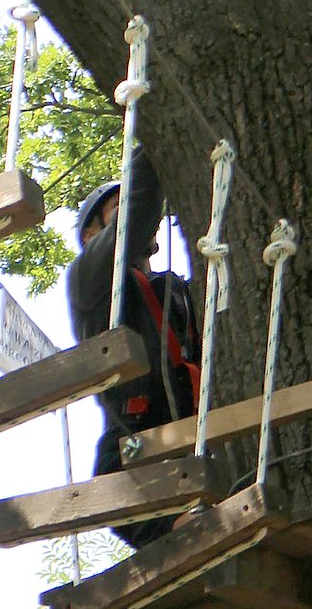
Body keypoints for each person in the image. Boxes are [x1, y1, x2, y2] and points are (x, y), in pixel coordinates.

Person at [66, 145, 200, 547]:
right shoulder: (88, 278)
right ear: (91, 236)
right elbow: (137, 213)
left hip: (193, 430)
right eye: (115, 209)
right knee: (118, 489)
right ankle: (179, 532)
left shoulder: (175, 291)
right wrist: (151, 138)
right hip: (134, 435)